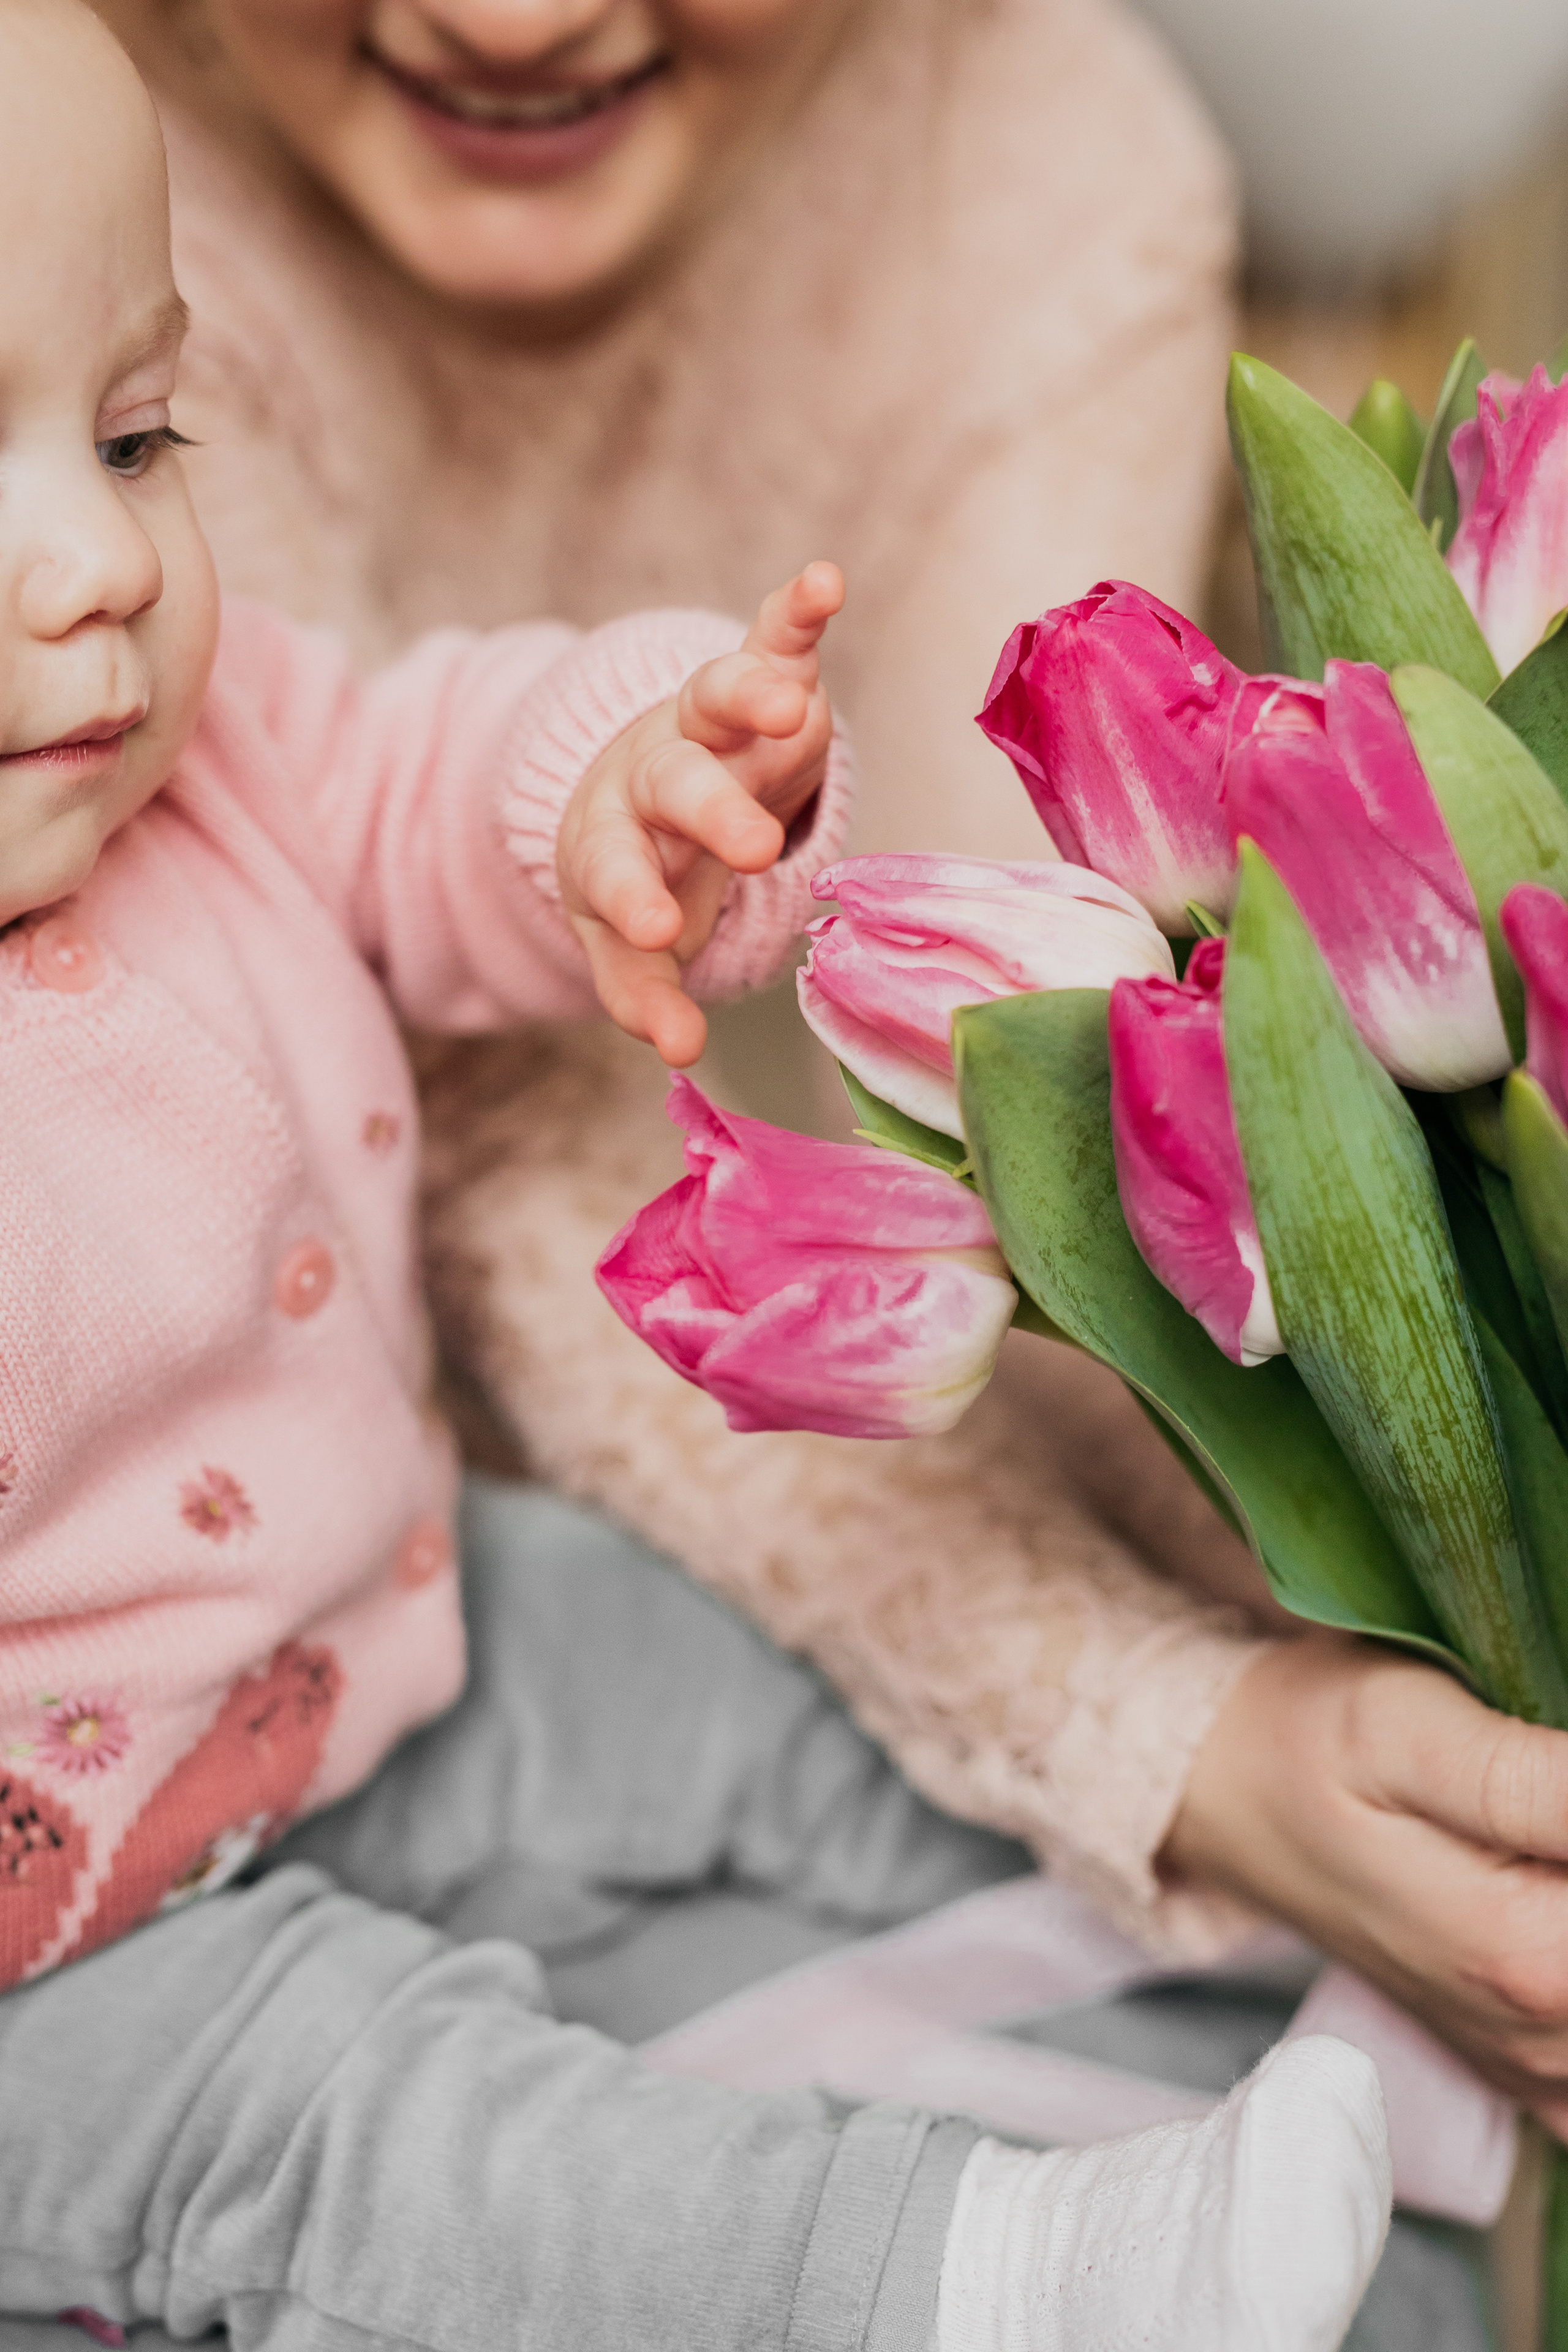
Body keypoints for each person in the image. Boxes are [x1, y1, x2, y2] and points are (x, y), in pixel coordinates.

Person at [0, 10, 1396, 2347]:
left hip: (375, 1627)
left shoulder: (174, 738)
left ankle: (1304, 2006)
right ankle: (970, 2274)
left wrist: (623, 799)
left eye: (139, 435)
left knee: (717, 1684)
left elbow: (412, 756)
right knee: (374, 2113)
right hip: (77, 1957)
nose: (96, 564)